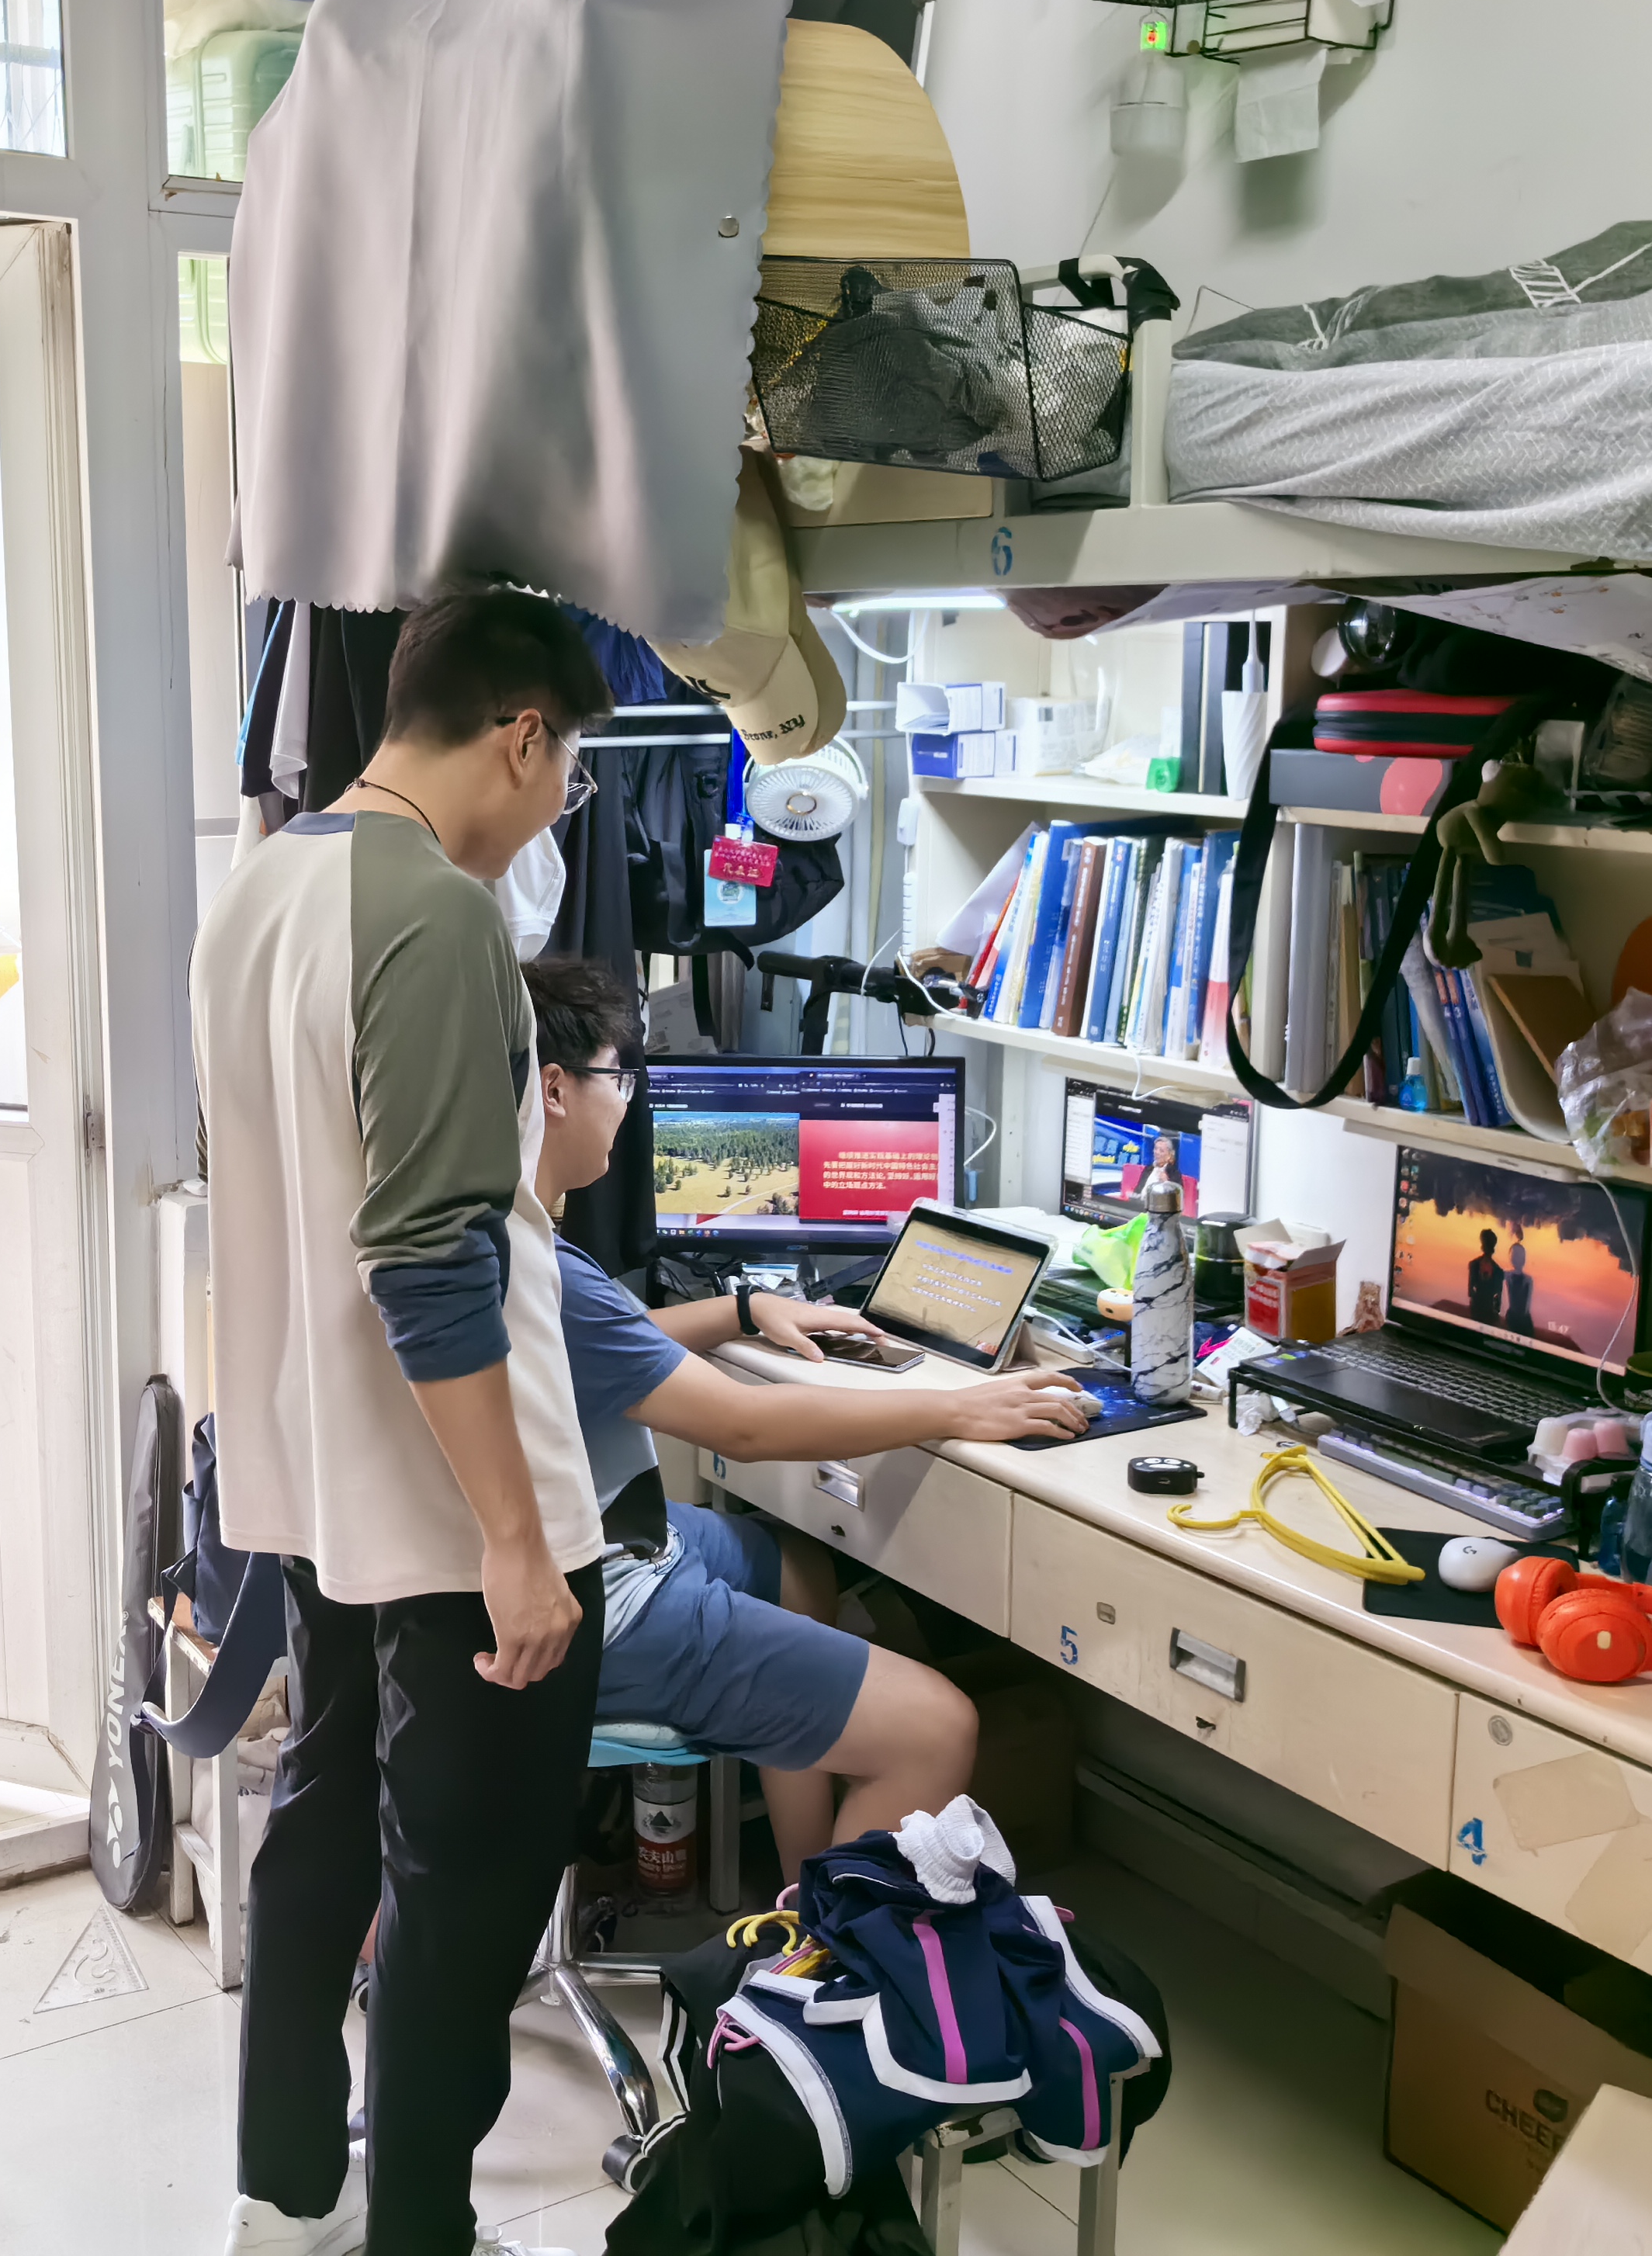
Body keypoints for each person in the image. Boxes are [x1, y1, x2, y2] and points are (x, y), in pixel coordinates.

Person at [191, 591, 618, 2256]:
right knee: (463, 1902)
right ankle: (420, 2234)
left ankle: (291, 2192)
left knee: (322, 1828)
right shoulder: (436, 913)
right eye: (567, 771)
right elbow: (431, 1258)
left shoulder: (262, 887)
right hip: (451, 1506)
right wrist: (515, 1539)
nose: (560, 805)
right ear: (520, 735)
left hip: (320, 1478)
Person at [521, 955, 1094, 1880]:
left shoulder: (504, 1232)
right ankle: (818, 1953)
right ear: (554, 1090)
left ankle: (800, 1882)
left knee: (800, 1569)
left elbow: (606, 1342)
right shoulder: (548, 1267)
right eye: (618, 1079)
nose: (626, 1103)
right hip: (609, 1605)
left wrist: (745, 1310)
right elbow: (743, 1429)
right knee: (938, 1728)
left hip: (603, 1549)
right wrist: (955, 1406)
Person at [1466, 1228, 1505, 1327]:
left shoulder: (1474, 1265)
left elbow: (1470, 1292)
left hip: (1479, 1311)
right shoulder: (1499, 1271)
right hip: (1486, 1312)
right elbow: (1498, 1302)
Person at [1504, 1236, 1537, 1343]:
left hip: (1521, 1319)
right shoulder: (1509, 1275)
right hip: (1515, 1317)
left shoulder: (1527, 1280)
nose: (1516, 1259)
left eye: (1518, 1256)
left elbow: (1527, 1307)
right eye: (1515, 1256)